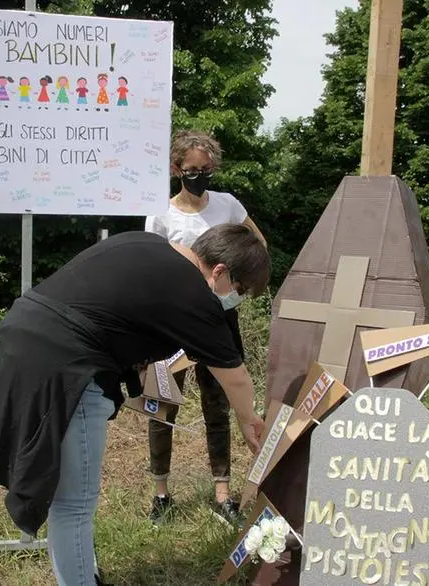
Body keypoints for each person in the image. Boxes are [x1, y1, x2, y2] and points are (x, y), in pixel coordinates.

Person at [0, 224, 269, 586]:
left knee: (64, 492)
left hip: (23, 335)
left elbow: (115, 312)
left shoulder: (145, 244)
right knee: (74, 503)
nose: (233, 300)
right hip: (69, 367)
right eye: (238, 291)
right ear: (220, 272)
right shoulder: (192, 291)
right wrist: (248, 421)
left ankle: (83, 570)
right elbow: (234, 377)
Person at [144, 130, 267, 525]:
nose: (198, 175)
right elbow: (152, 266)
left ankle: (223, 494)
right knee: (163, 405)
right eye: (190, 169)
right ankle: (161, 494)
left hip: (218, 318)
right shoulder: (161, 213)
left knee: (217, 403)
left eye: (205, 168)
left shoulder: (228, 205)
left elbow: (257, 248)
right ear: (175, 168)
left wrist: (237, 294)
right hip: (171, 323)